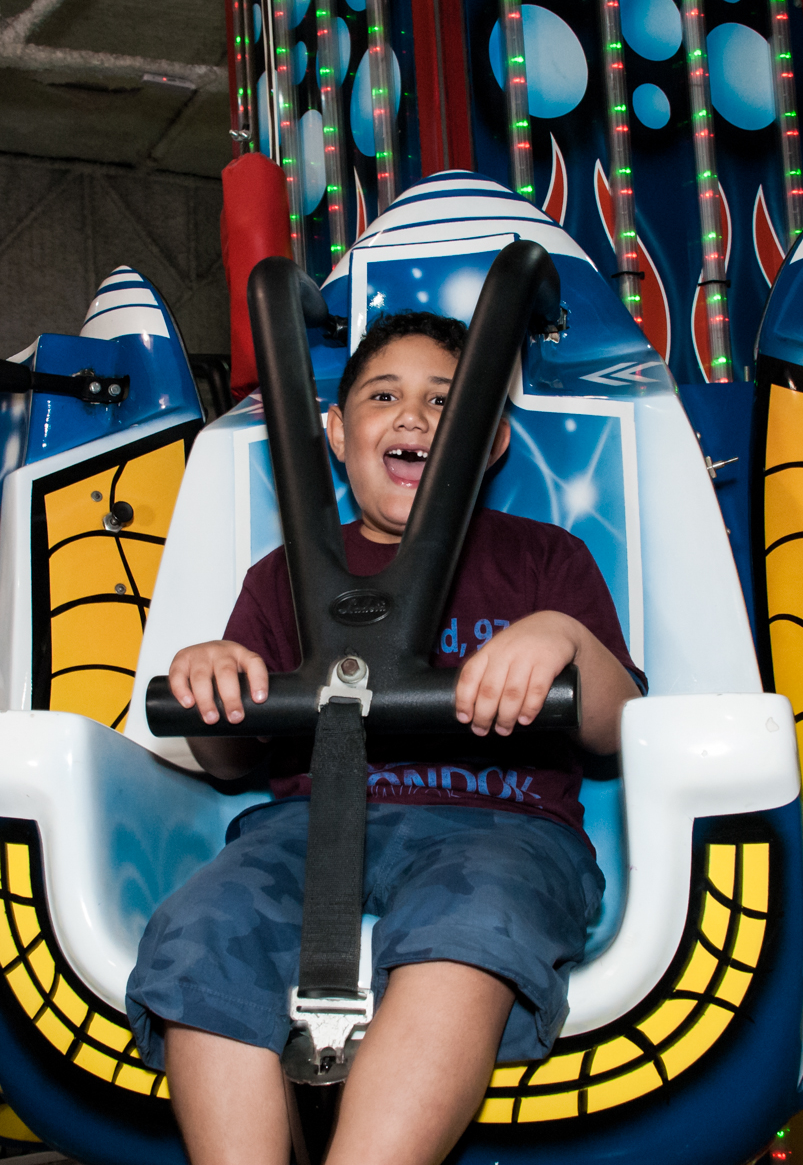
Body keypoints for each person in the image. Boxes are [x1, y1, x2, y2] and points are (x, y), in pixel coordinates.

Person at [126, 311, 645, 1165]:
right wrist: (210, 677)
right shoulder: (285, 576)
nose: (413, 417)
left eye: (446, 401)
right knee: (202, 926)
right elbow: (228, 764)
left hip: (498, 825)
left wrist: (562, 637)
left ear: (492, 441)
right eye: (383, 396)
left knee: (470, 921)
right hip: (305, 830)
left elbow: (620, 730)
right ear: (335, 433)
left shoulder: (544, 559)